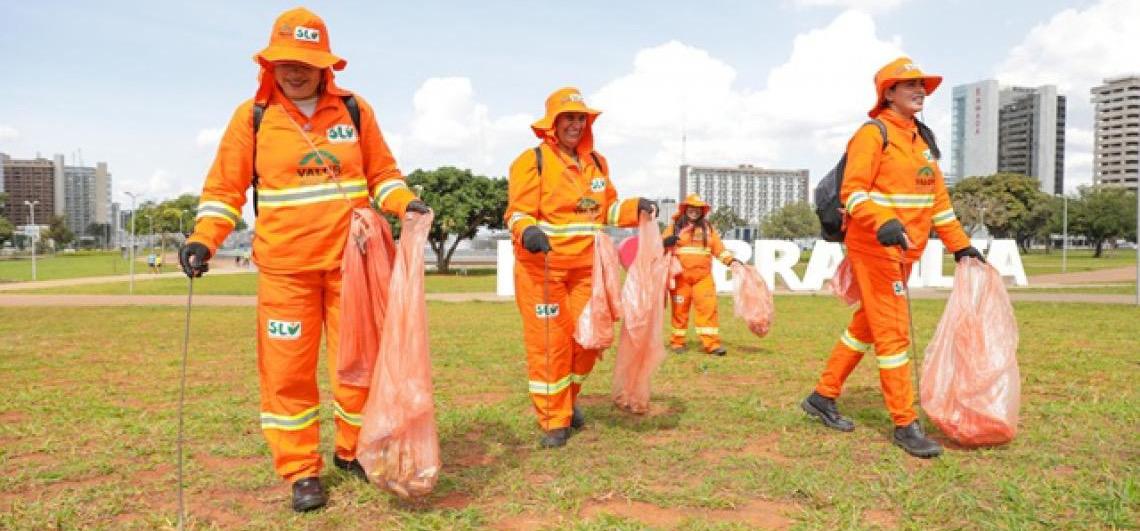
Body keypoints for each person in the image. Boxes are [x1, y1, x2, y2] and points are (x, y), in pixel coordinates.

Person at [177, 8, 430, 512]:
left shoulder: (356, 111)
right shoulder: (252, 117)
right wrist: (205, 238)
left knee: (357, 366)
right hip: (285, 272)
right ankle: (300, 470)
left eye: (306, 63)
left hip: (352, 269)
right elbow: (223, 190)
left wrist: (405, 203)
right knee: (288, 373)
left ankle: (352, 451)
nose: (296, 71)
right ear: (270, 64)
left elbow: (384, 175)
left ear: (325, 67)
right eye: (286, 61)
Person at [800, 57, 983, 459]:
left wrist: (961, 244)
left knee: (866, 326)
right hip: (875, 248)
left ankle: (821, 396)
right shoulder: (873, 133)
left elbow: (939, 206)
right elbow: (854, 192)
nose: (919, 90)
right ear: (888, 93)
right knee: (894, 334)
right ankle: (904, 423)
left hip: (905, 251)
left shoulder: (921, 141)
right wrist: (882, 221)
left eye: (922, 85)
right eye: (909, 85)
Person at [505, 87, 657, 449]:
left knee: (590, 340)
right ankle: (554, 420)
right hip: (543, 270)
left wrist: (637, 208)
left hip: (588, 270)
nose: (575, 124)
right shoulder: (533, 160)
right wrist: (528, 231)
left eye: (580, 118)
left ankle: (567, 400)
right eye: (568, 118)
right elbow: (517, 212)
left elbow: (608, 210)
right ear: (552, 124)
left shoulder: (598, 164)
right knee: (551, 346)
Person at [662, 194, 737, 356]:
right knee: (679, 311)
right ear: (685, 209)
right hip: (680, 278)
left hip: (703, 278)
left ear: (702, 211)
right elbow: (659, 247)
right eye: (691, 208)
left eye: (697, 209)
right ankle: (677, 342)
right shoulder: (674, 226)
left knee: (708, 309)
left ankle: (712, 345)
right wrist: (665, 243)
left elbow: (719, 249)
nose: (694, 211)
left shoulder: (708, 229)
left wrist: (731, 261)